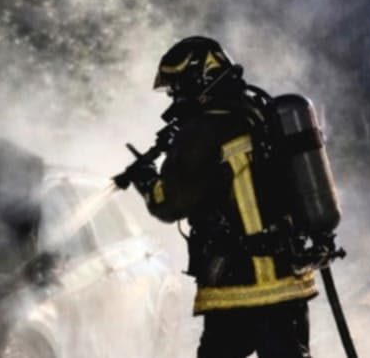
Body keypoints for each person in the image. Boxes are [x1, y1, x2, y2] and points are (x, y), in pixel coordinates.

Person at [118, 36, 317, 358]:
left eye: (177, 87)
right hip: (287, 280)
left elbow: (170, 203)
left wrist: (146, 179)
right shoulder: (258, 114)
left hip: (239, 287)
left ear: (198, 81)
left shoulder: (202, 132)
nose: (174, 96)